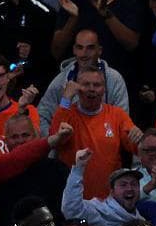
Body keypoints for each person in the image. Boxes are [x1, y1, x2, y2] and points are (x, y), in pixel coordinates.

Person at [50, 65, 141, 199]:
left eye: (96, 85)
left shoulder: (117, 115)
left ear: (104, 89)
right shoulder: (67, 113)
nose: (91, 89)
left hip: (110, 202)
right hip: (74, 200)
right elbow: (54, 139)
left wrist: (139, 137)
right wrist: (66, 98)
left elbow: (136, 145)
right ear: (77, 88)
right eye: (86, 84)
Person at [38, 29, 130, 135]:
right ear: (74, 50)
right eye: (79, 48)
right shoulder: (61, 80)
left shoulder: (114, 79)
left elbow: (123, 121)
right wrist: (52, 143)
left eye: (90, 48)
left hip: (105, 142)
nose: (83, 54)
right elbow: (42, 115)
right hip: (70, 144)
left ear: (99, 50)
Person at [61, 148, 148, 226]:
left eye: (133, 184)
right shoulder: (99, 211)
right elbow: (71, 209)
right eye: (123, 185)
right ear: (111, 191)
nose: (129, 188)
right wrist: (78, 169)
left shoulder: (141, 221)